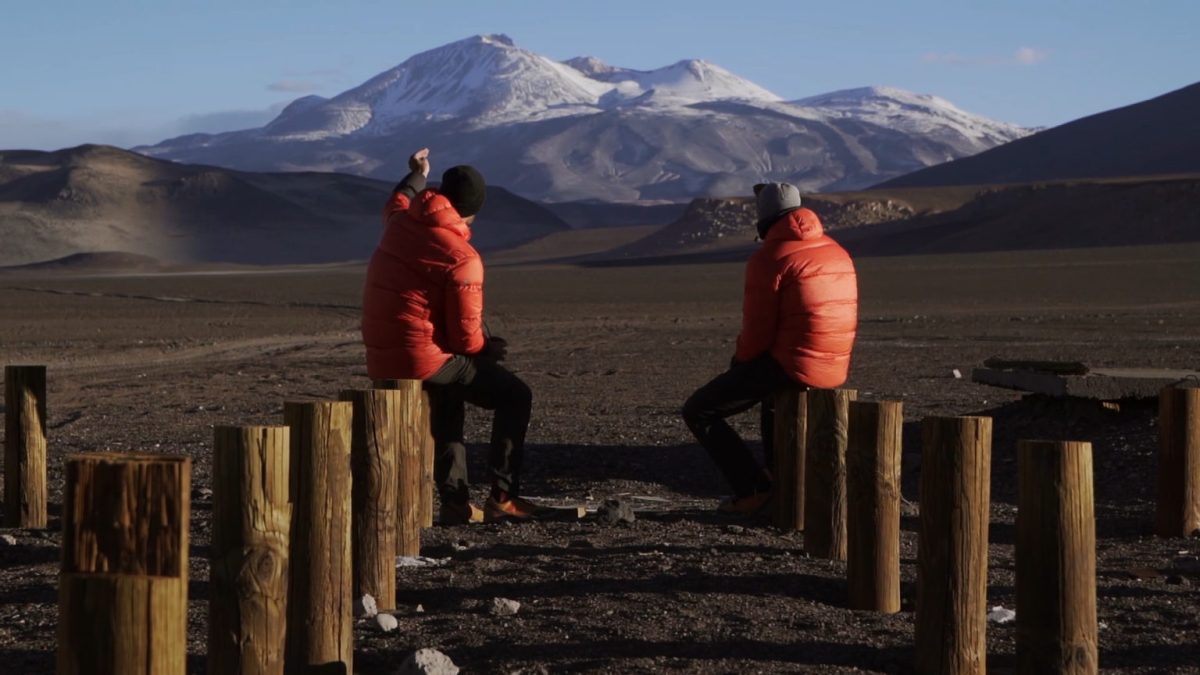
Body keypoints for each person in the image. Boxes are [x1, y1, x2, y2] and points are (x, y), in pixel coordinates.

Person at [362, 148, 540, 525]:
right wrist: (488, 350)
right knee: (515, 396)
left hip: (382, 357)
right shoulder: (462, 257)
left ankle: (456, 504)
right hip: (423, 359)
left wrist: (417, 175)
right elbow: (464, 340)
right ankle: (503, 497)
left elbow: (398, 200)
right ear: (473, 209)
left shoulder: (399, 223)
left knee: (449, 391)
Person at [681, 182, 858, 515]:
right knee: (770, 392)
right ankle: (781, 482)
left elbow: (757, 333)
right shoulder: (835, 249)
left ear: (763, 218)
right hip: (834, 362)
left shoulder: (771, 258)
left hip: (795, 364)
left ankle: (754, 491)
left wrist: (739, 362)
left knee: (700, 411)